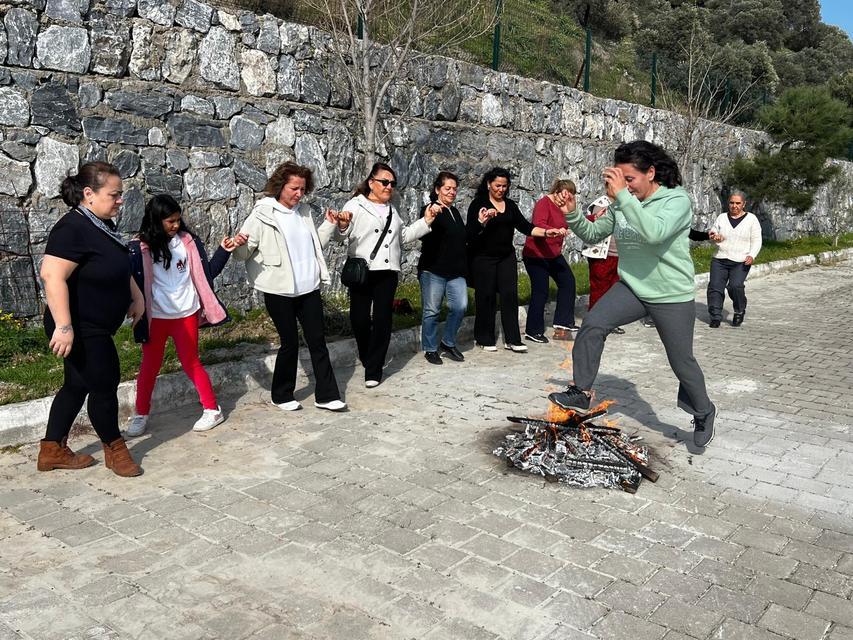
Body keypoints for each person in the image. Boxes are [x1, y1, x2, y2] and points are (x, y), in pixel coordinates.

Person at [548, 141, 717, 448]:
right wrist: (572, 214)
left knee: (682, 362)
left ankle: (704, 411)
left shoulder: (676, 201)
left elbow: (654, 233)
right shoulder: (622, 203)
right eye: (620, 180)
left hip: (671, 294)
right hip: (632, 287)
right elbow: (593, 234)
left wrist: (622, 197)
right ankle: (580, 392)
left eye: (630, 180)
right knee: (593, 323)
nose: (625, 186)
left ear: (651, 173)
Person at [38, 161, 145, 477]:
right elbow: (51, 275)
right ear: (89, 194)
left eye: (120, 194)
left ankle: (51, 450)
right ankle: (116, 451)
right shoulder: (72, 228)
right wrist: (64, 327)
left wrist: (135, 295)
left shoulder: (100, 225)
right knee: (105, 383)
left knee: (76, 385)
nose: (120, 200)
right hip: (79, 324)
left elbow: (116, 263)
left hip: (94, 324)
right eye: (114, 195)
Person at [232, 162, 347, 411]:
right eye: (294, 188)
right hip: (279, 291)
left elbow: (315, 245)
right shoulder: (261, 214)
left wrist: (328, 225)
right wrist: (238, 244)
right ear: (280, 186)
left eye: (303, 189)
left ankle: (327, 395)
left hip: (309, 289)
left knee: (318, 342)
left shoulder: (303, 212)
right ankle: (282, 395)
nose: (299, 194)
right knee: (290, 342)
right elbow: (242, 254)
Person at [126, 195, 244, 437]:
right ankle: (141, 414)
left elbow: (206, 274)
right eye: (170, 221)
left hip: (186, 313)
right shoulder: (139, 248)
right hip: (156, 317)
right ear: (156, 221)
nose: (176, 225)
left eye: (178, 220)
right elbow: (131, 281)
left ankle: (212, 409)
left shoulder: (188, 242)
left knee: (191, 362)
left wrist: (224, 251)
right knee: (149, 366)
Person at [328, 162, 437, 387]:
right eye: (384, 182)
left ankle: (374, 368)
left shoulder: (392, 209)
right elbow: (340, 237)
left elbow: (403, 236)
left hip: (387, 272)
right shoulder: (356, 204)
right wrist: (341, 226)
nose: (389, 187)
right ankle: (368, 355)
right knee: (358, 319)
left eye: (392, 184)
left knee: (382, 319)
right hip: (362, 271)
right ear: (371, 183)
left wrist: (426, 221)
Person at [466, 167, 565, 353]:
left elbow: (525, 227)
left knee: (509, 295)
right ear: (489, 184)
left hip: (506, 257)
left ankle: (512, 339)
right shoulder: (478, 204)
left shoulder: (510, 205)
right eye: (497, 185)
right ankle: (484, 337)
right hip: (483, 258)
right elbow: (470, 233)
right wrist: (482, 221)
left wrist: (546, 232)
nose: (501, 189)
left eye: (504, 186)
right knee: (485, 297)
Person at [417, 171, 467, 365]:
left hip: (455, 271)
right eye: (447, 188)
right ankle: (430, 348)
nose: (452, 192)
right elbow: (424, 232)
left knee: (460, 306)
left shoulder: (454, 212)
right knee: (432, 311)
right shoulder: (430, 208)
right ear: (438, 189)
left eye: (454, 189)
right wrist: (430, 215)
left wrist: (480, 223)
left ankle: (448, 341)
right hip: (433, 269)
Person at [521, 179, 579, 344]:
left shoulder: (565, 208)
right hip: (536, 255)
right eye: (564, 195)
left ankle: (563, 321)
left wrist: (592, 217)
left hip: (553, 254)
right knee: (541, 290)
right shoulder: (543, 203)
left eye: (569, 197)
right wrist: (551, 231)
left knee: (568, 282)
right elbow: (538, 225)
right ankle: (533, 331)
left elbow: (574, 220)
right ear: (557, 191)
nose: (565, 199)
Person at [706, 191, 762, 328]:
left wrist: (752, 255)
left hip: (741, 260)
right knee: (715, 288)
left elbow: (756, 240)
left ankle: (739, 310)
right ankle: (715, 316)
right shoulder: (721, 217)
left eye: (738, 203)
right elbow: (713, 233)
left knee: (735, 286)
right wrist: (714, 237)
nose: (734, 206)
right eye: (732, 203)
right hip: (720, 259)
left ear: (744, 204)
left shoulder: (751, 219)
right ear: (728, 203)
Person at [581, 195, 625, 335]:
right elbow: (593, 226)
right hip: (601, 255)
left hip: (618, 255)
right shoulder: (601, 204)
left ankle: (611, 322)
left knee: (614, 291)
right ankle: (595, 322)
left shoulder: (624, 203)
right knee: (599, 289)